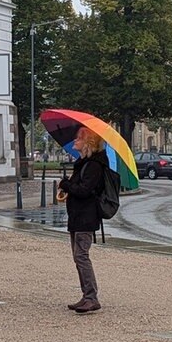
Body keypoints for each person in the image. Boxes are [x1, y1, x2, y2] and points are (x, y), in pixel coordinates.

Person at [57, 127, 108, 314]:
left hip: (86, 216)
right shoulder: (84, 163)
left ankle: (91, 297)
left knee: (81, 256)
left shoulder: (93, 165)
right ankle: (87, 296)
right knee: (78, 257)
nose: (74, 141)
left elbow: (85, 190)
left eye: (79, 138)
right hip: (78, 215)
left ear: (88, 143)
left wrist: (66, 185)